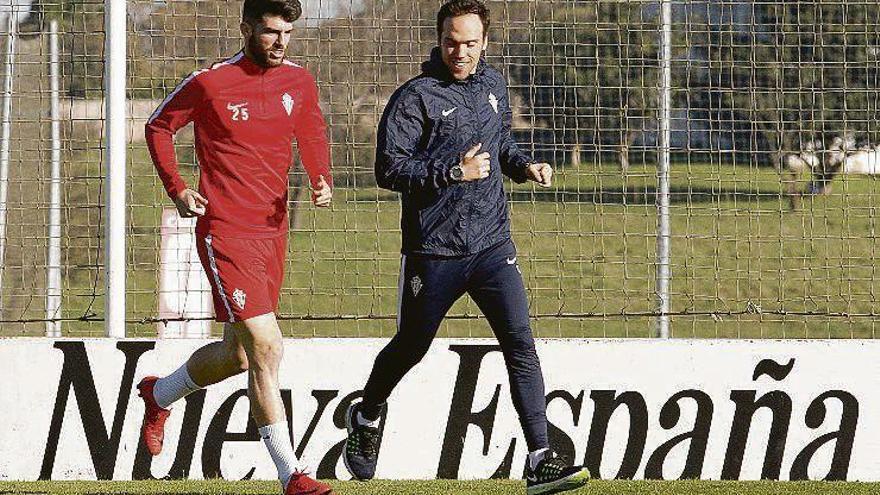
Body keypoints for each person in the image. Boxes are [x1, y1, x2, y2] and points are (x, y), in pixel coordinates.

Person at [342, 1, 590, 494]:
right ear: (439, 39)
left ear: (484, 42)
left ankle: (540, 457)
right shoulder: (415, 98)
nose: (461, 52)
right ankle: (366, 414)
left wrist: (523, 167)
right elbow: (388, 169)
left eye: (470, 43)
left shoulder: (493, 85)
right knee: (412, 346)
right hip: (435, 251)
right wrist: (451, 171)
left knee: (519, 342)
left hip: (493, 245)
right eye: (452, 41)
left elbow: (500, 147)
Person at [140, 1, 333, 494]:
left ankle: (158, 394)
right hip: (224, 231)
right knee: (267, 346)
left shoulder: (299, 82)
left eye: (287, 32)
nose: (280, 41)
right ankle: (292, 474)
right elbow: (159, 126)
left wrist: (320, 176)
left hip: (273, 231)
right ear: (247, 28)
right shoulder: (210, 83)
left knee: (240, 357)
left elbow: (309, 129)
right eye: (270, 32)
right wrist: (178, 187)